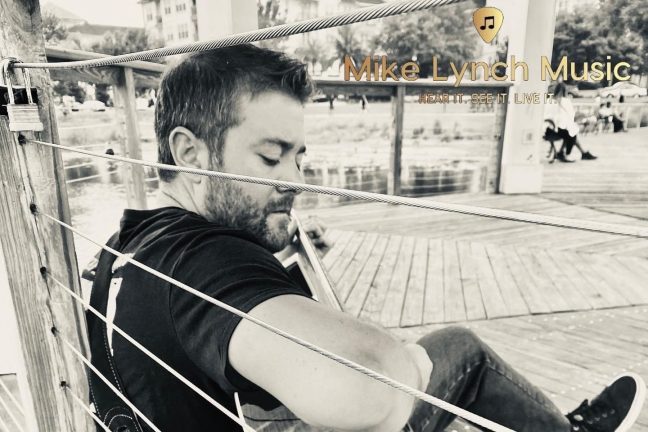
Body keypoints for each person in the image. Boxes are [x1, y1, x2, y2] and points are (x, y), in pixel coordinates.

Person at [87, 45, 645, 432]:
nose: (296, 180)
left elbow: (220, 325)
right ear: (189, 153)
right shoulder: (205, 257)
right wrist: (406, 362)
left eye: (298, 158)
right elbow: (370, 390)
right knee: (460, 351)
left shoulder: (127, 247)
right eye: (271, 157)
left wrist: (280, 250)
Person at [548, 83, 598, 162]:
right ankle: (566, 154)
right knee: (572, 134)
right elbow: (572, 115)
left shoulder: (550, 101)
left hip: (549, 129)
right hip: (558, 130)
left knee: (571, 131)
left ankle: (583, 153)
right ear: (565, 91)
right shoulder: (565, 101)